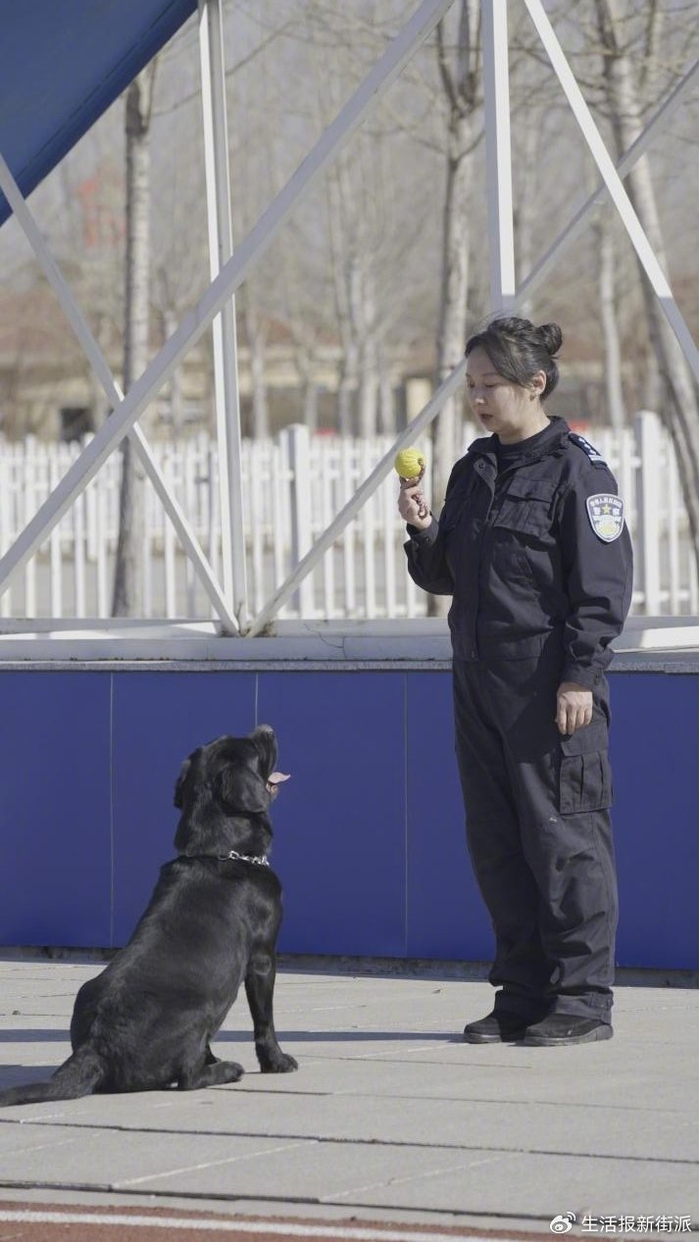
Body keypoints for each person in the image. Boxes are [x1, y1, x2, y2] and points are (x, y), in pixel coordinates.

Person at [398, 316, 633, 1047]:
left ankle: (582, 1000)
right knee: (498, 845)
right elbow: (447, 577)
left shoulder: (577, 471)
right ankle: (523, 996)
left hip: (548, 687)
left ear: (535, 384)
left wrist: (580, 676)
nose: (478, 399)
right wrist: (423, 529)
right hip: (478, 683)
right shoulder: (475, 468)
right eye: (470, 386)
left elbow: (603, 589)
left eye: (490, 385)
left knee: (565, 842)